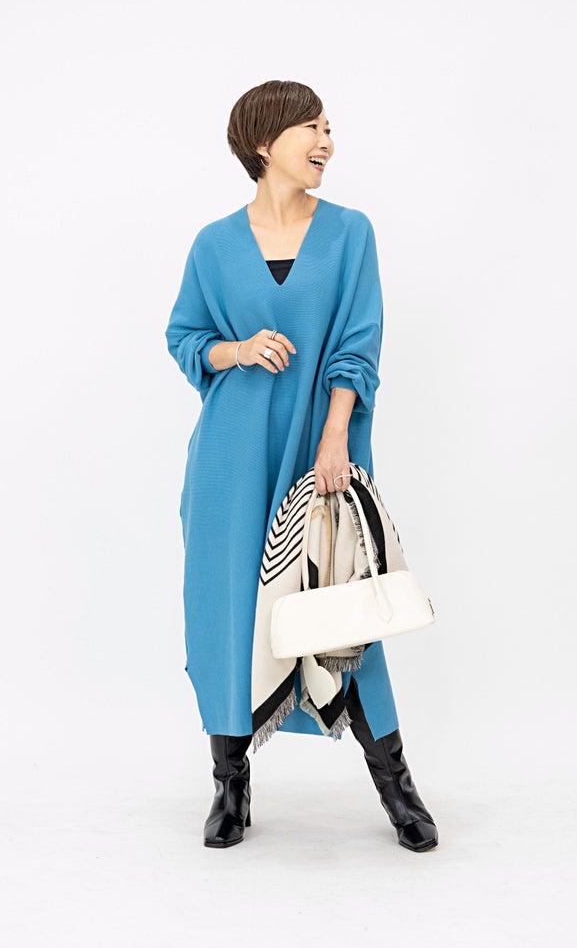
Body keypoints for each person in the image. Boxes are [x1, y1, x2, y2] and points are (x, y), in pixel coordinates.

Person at [165, 80, 437, 852]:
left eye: (328, 128)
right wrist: (239, 348)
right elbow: (186, 337)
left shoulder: (350, 233)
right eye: (311, 127)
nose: (326, 142)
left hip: (322, 454)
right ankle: (230, 784)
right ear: (264, 141)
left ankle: (396, 784)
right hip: (231, 460)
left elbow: (358, 342)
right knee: (228, 615)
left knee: (346, 610)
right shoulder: (213, 245)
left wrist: (335, 437)